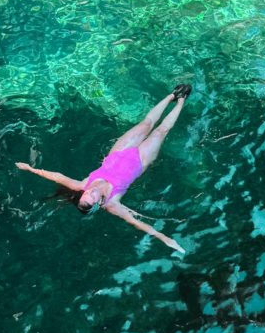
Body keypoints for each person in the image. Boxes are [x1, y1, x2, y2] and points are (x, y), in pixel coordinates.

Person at [15, 84, 192, 253]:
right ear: (98, 203)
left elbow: (58, 177)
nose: (90, 191)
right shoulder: (112, 205)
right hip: (140, 161)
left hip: (119, 152)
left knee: (146, 124)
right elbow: (136, 222)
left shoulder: (83, 185)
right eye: (92, 195)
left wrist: (31, 169)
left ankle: (171, 95)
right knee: (161, 131)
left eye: (86, 193)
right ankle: (181, 100)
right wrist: (165, 239)